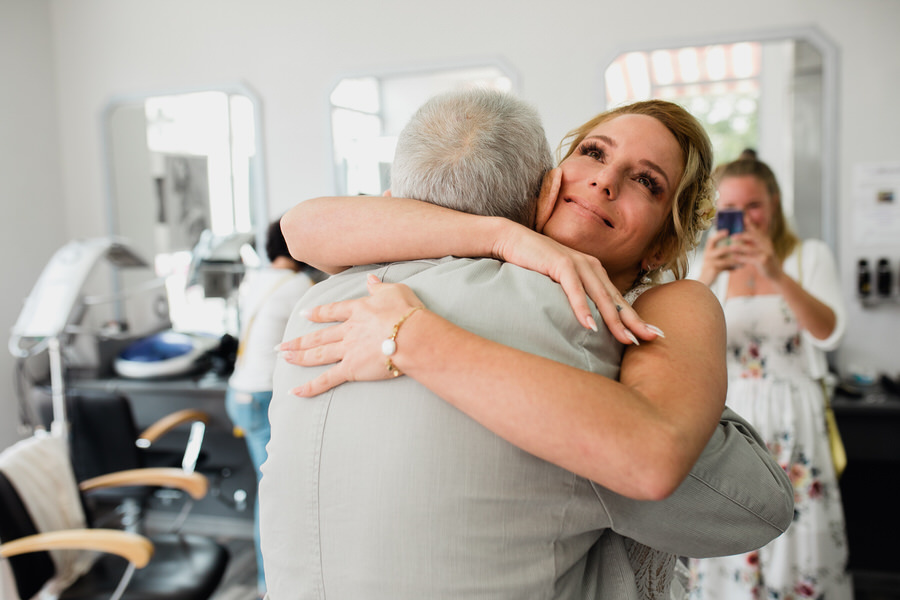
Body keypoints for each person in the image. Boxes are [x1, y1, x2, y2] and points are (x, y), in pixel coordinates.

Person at [261, 90, 793, 599]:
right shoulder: (491, 260)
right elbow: (302, 228)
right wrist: (505, 235)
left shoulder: (660, 308)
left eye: (646, 182)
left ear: (662, 242)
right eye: (593, 152)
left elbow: (699, 476)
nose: (605, 181)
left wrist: (410, 336)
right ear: (548, 180)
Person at [687, 158, 852, 599]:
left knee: (800, 534)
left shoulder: (808, 256)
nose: (745, 217)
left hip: (794, 415)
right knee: (732, 524)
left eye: (754, 205)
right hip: (730, 416)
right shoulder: (703, 266)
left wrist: (775, 272)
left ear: (774, 204)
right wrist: (707, 276)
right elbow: (682, 345)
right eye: (732, 207)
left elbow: (829, 333)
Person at [224, 219, 317, 599]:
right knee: (275, 497)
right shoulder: (300, 287)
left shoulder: (255, 279)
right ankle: (270, 587)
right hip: (264, 394)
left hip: (238, 392)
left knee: (269, 489)